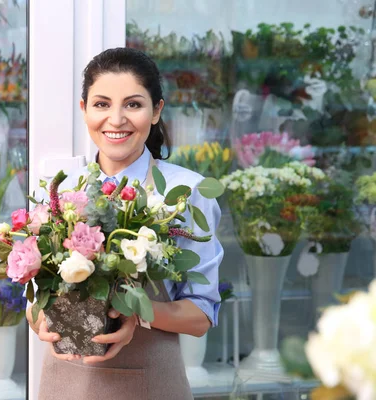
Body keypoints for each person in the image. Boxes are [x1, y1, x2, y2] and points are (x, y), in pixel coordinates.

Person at [26, 47, 224, 400]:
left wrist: (137, 314)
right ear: (84, 109)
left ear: (156, 111)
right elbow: (37, 293)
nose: (116, 120)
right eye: (102, 104)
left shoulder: (185, 193)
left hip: (148, 382)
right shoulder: (62, 190)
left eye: (133, 104)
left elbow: (200, 316)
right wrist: (39, 317)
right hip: (62, 380)